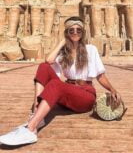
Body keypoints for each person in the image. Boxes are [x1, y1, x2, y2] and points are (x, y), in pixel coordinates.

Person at [0, 16, 122, 146]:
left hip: (85, 95)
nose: (75, 33)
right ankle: (36, 114)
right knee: (43, 67)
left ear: (83, 32)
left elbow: (100, 76)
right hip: (68, 92)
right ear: (67, 33)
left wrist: (112, 89)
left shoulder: (91, 49)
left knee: (56, 85)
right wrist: (62, 42)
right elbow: (48, 60)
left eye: (78, 30)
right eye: (71, 30)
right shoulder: (64, 53)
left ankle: (30, 129)